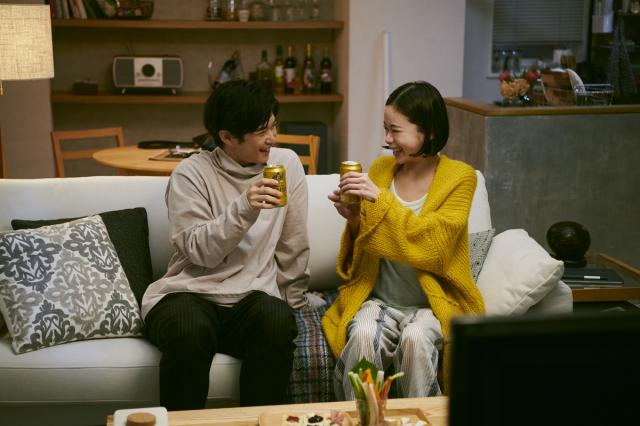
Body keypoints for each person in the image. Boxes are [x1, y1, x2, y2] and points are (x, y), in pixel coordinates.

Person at [141, 79, 310, 410]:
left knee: (277, 321)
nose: (273, 137)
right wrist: (244, 207)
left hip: (250, 298)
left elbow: (293, 241)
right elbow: (200, 252)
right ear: (228, 137)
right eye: (262, 131)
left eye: (273, 126)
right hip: (189, 293)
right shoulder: (191, 174)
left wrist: (294, 302)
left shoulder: (285, 164)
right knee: (189, 330)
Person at [322, 81, 485, 400]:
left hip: (432, 303)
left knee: (415, 339)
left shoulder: (460, 178)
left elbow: (433, 249)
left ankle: (420, 418)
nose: (387, 139)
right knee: (362, 333)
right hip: (381, 300)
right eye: (385, 129)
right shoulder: (382, 169)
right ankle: (363, 416)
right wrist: (354, 220)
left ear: (429, 132)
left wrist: (380, 201)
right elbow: (369, 243)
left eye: (395, 130)